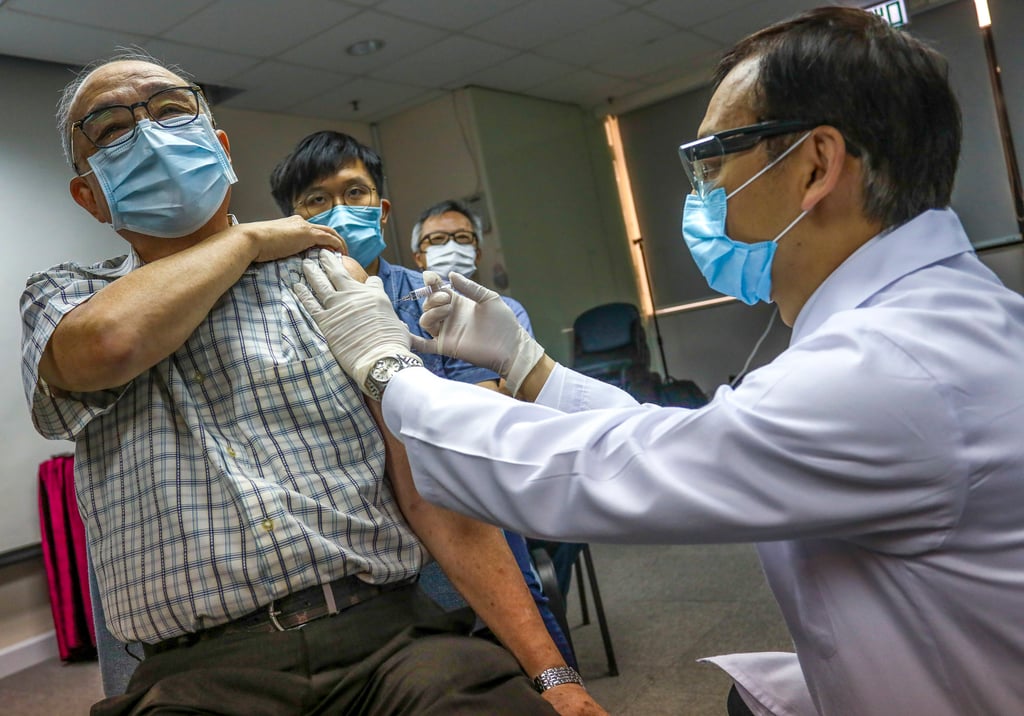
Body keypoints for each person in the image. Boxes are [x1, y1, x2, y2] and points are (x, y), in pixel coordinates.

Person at [292, 7, 1024, 716]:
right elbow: (693, 441)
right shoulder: (927, 321)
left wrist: (390, 372)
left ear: (815, 166)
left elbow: (614, 470)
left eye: (714, 160)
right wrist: (526, 363)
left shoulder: (893, 368)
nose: (702, 196)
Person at [21, 53, 602, 715]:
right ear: (89, 194)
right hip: (200, 677)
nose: (150, 134)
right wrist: (246, 243)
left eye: (170, 111)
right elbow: (110, 345)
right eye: (114, 131)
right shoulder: (65, 298)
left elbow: (432, 496)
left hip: (388, 641)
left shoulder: (325, 277)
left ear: (219, 145)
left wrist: (558, 679)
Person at [268, 134, 576, 668]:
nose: (339, 211)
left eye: (354, 192)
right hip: (352, 536)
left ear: (381, 209)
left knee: (526, 631)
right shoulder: (279, 316)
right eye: (316, 200)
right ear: (293, 219)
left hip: (459, 505)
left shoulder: (435, 299)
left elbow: (483, 412)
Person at [411, 198, 585, 597]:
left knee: (558, 533)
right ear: (419, 255)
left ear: (477, 249)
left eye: (461, 238)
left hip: (500, 457)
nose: (451, 246)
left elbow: (502, 396)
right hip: (436, 475)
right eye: (438, 239)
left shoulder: (504, 310)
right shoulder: (402, 312)